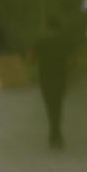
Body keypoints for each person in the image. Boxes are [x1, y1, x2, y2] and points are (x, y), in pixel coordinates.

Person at [32, 9, 71, 148]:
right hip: (61, 78)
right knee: (58, 106)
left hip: (45, 79)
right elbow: (72, 59)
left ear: (47, 27)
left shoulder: (40, 42)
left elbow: (30, 59)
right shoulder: (64, 41)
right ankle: (56, 135)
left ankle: (54, 134)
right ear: (59, 27)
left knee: (50, 107)